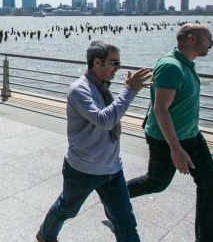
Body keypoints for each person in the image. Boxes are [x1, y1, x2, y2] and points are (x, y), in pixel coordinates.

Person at [36, 41, 152, 242]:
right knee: (67, 209)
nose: (118, 68)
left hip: (113, 169)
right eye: (114, 62)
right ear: (96, 62)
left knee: (125, 221)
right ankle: (46, 235)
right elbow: (105, 120)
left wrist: (127, 90)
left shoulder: (103, 88)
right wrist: (130, 90)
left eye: (119, 63)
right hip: (83, 170)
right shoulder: (79, 90)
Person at [127, 24, 213, 242]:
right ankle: (115, 195)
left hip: (192, 136)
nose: (212, 43)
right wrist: (176, 150)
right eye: (208, 38)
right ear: (191, 39)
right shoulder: (171, 66)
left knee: (210, 186)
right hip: (166, 140)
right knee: (156, 183)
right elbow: (160, 109)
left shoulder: (186, 64)